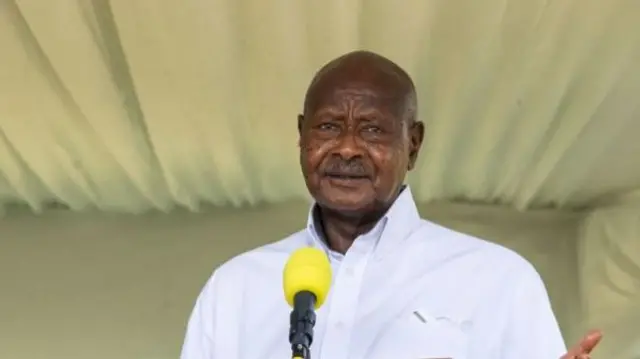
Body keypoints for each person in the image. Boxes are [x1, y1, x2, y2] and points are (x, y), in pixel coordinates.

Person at [180, 50, 603, 359]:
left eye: (372, 131)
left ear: (413, 145)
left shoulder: (499, 281)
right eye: (328, 127)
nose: (346, 149)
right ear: (301, 134)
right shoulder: (233, 289)